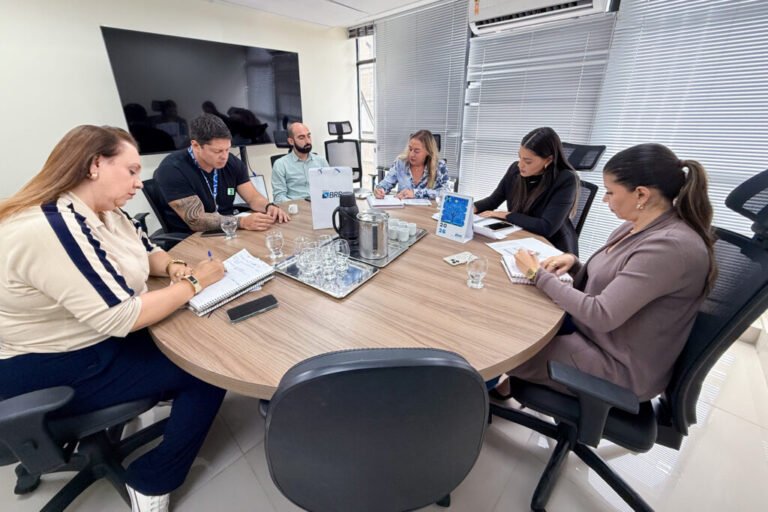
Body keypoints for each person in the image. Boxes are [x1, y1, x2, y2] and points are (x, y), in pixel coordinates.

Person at [0, 125, 229, 512]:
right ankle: (153, 481)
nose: (140, 183)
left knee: (194, 334)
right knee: (208, 368)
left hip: (84, 337)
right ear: (95, 165)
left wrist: (172, 266)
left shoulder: (102, 210)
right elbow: (120, 318)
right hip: (45, 365)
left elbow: (147, 250)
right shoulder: (54, 226)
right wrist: (192, 282)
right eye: (132, 171)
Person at [500, 143, 716, 401]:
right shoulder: (636, 227)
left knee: (500, 344)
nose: (604, 199)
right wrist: (574, 262)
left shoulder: (670, 248)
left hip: (615, 366)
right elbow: (620, 279)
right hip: (596, 337)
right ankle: (505, 384)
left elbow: (601, 314)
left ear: (641, 195)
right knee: (511, 317)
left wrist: (537, 274)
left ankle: (471, 405)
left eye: (611, 192)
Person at [154, 113, 289, 233]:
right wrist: (241, 222)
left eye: (227, 149)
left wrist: (268, 206)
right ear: (196, 146)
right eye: (217, 151)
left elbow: (253, 198)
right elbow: (196, 220)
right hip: (192, 237)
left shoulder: (232, 163)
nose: (224, 156)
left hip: (230, 230)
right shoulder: (172, 169)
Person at [473, 127, 579, 254]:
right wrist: (469, 208)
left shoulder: (565, 180)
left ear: (548, 160)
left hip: (551, 246)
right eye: (520, 157)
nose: (520, 165)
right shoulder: (515, 170)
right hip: (520, 237)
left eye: (527, 161)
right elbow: (493, 200)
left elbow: (546, 227)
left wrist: (506, 215)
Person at [374, 130, 449, 200]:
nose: (411, 154)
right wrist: (380, 190)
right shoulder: (400, 163)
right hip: (403, 211)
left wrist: (415, 193)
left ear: (428, 152)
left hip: (427, 212)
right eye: (410, 149)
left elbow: (445, 193)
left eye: (416, 151)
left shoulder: (439, 166)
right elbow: (386, 183)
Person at [271, 122, 330, 203]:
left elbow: (330, 188)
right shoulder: (280, 164)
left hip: (320, 205)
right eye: (301, 138)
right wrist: (297, 206)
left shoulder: (321, 161)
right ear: (291, 141)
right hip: (296, 209)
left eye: (308, 136)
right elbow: (279, 198)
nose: (307, 141)